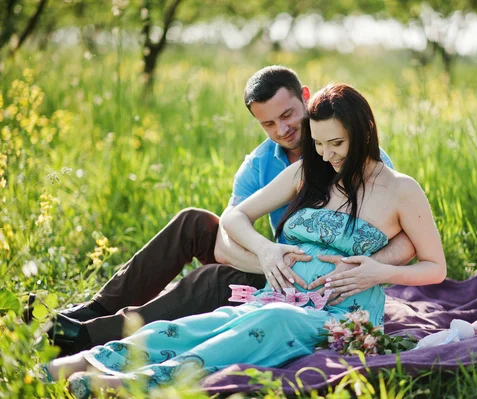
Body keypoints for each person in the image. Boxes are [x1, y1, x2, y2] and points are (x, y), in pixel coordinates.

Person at [43, 83, 446, 398]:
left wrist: (379, 270)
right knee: (208, 323)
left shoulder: (399, 189)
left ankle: (143, 381)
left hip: (342, 312)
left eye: (336, 144)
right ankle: (87, 359)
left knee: (271, 321)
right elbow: (236, 216)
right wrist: (268, 250)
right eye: (318, 143)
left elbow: (434, 265)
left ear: (362, 131)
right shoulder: (310, 170)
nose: (326, 155)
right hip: (278, 293)